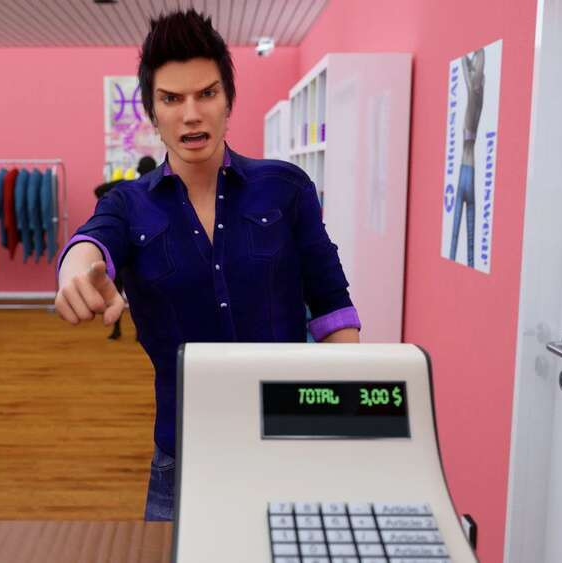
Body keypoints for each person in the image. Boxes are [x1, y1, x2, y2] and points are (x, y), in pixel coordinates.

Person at [55, 10, 360, 521]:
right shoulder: (128, 204)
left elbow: (332, 306)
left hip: (287, 444)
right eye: (172, 99)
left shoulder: (285, 188)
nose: (191, 114)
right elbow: (92, 242)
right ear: (152, 110)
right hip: (183, 456)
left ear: (228, 100)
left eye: (207, 94)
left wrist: (344, 425)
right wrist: (75, 272)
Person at [94, 156, 157, 340]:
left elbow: (98, 190)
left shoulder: (128, 187)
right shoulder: (158, 189)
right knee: (143, 295)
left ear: (138, 169)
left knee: (116, 290)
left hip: (124, 247)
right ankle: (140, 332)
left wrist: (111, 203)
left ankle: (117, 330)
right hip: (147, 250)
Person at [449, 48, 485, 267]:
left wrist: (472, 58)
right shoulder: (478, 99)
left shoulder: (472, 94)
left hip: (464, 172)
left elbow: (463, 62)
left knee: (454, 240)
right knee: (470, 246)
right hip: (471, 174)